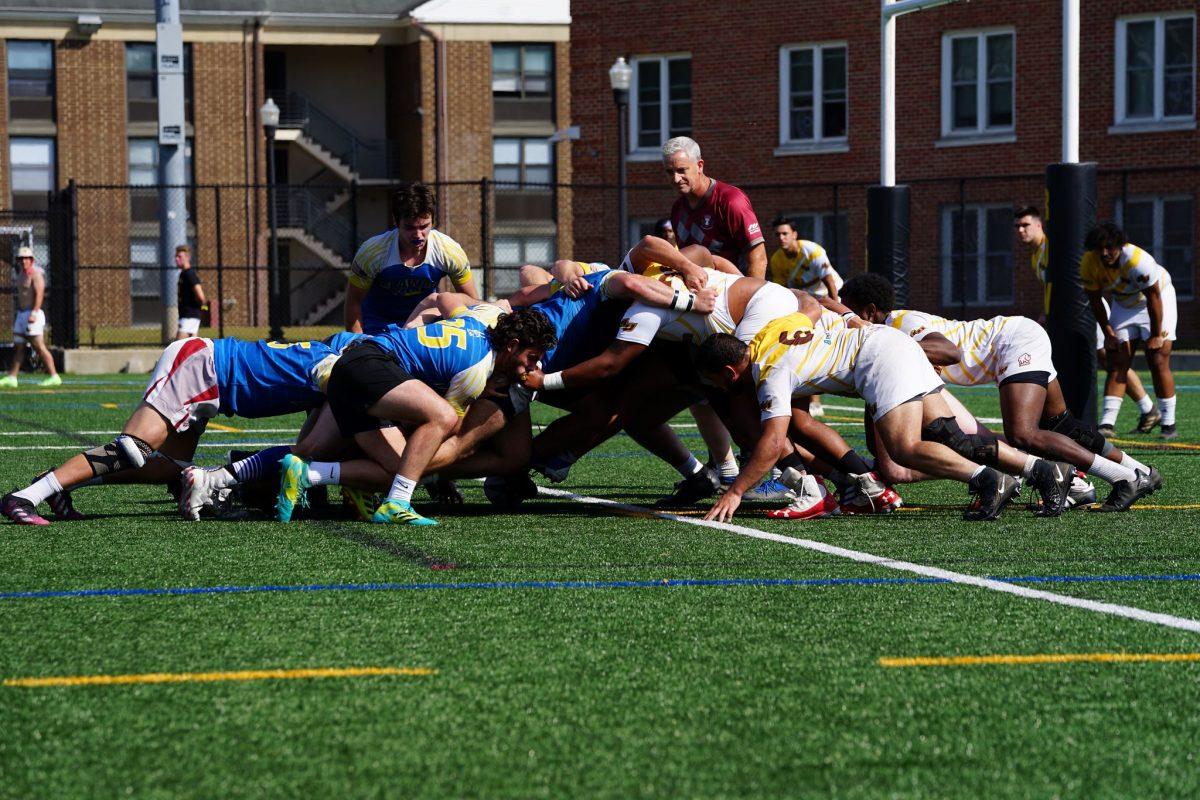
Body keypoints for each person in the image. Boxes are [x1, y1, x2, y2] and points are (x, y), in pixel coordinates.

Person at [696, 314, 1073, 523]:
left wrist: (735, 491)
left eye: (716, 383)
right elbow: (808, 307)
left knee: (904, 449)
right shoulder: (767, 333)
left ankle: (988, 479)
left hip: (877, 359)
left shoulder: (770, 371)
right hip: (889, 343)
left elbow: (773, 442)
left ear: (729, 373)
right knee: (951, 436)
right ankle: (1044, 470)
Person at [838, 273, 1159, 513]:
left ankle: (1120, 478)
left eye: (849, 317)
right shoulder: (894, 330)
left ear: (868, 312)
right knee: (1061, 423)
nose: (846, 327)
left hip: (1011, 343)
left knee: (1023, 433)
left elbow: (950, 352)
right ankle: (1138, 471)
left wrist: (907, 351)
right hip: (1015, 340)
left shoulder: (901, 324)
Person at [2, 333, 349, 526]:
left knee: (166, 466)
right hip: (203, 367)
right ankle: (25, 497)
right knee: (133, 448)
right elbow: (309, 447)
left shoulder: (334, 365)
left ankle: (56, 483)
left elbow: (311, 444)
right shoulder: (335, 369)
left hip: (214, 384)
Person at [1014, 207, 1157, 434]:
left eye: (1026, 225)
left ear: (1039, 225)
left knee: (1110, 360)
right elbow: (1053, 287)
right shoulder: (1035, 255)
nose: (1021, 230)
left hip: (1085, 309)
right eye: (1017, 227)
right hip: (1069, 313)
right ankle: (1148, 409)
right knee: (1108, 361)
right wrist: (1046, 311)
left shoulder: (1052, 247)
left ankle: (1147, 410)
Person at [1081, 223, 1178, 439]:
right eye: (1099, 249)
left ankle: (1168, 424)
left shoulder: (1137, 260)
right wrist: (1108, 333)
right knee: (1117, 360)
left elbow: (1153, 298)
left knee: (1158, 358)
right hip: (1124, 302)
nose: (1105, 253)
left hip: (1156, 299)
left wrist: (1155, 335)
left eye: (1109, 247)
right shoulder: (1089, 263)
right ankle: (1107, 424)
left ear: (1120, 245)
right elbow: (1095, 301)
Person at [344, 182, 478, 334]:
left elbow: (471, 302)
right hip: (377, 328)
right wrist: (359, 342)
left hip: (424, 327)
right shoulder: (372, 253)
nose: (418, 235)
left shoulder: (450, 252)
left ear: (433, 220)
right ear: (395, 221)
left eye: (424, 226)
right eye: (409, 227)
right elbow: (353, 302)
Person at [767, 215, 844, 418]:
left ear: (794, 234)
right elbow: (783, 290)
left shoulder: (812, 250)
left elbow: (829, 281)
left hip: (829, 298)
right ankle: (814, 399)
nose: (781, 238)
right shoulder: (776, 260)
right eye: (777, 235)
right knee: (808, 344)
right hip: (807, 305)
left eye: (785, 233)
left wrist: (838, 307)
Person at [664, 137, 766, 278]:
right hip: (701, 294)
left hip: (735, 290)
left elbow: (758, 258)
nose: (676, 178)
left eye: (682, 170)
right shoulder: (677, 209)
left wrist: (751, 297)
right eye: (670, 172)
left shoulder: (731, 200)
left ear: (700, 166)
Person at [1, 245, 61, 388]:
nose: (23, 261)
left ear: (31, 260)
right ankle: (12, 377)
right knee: (19, 346)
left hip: (33, 314)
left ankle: (54, 376)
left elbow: (39, 294)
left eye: (26, 258)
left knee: (39, 346)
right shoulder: (20, 275)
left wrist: (34, 312)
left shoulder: (36, 275)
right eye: (21, 259)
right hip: (21, 314)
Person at [174, 244, 208, 340]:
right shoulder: (183, 274)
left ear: (187, 257)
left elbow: (200, 295)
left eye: (179, 257)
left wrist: (203, 308)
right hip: (188, 316)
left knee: (177, 348)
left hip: (189, 316)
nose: (176, 259)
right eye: (176, 256)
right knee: (191, 351)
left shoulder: (189, 274)